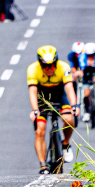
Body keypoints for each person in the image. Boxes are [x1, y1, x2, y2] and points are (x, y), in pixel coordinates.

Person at [27, 45, 78, 174]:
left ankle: (65, 143)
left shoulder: (64, 67)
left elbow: (69, 88)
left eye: (52, 65)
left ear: (57, 62)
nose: (49, 69)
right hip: (42, 97)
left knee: (69, 118)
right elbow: (33, 92)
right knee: (40, 130)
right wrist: (35, 110)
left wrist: (74, 106)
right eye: (45, 66)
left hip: (59, 95)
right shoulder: (33, 69)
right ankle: (43, 165)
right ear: (40, 64)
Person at [77, 42, 95, 122]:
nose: (90, 56)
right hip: (87, 73)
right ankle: (87, 112)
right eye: (88, 55)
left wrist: (93, 65)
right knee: (86, 93)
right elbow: (82, 69)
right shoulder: (82, 57)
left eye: (91, 55)